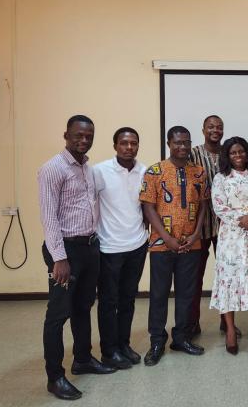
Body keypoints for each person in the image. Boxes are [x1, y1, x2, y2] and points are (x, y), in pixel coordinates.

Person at [39, 115, 114, 401]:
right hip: (64, 251)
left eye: (89, 136)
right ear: (66, 135)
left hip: (88, 247)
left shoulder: (88, 169)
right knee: (58, 313)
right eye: (78, 135)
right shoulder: (52, 169)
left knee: (84, 306)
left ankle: (82, 359)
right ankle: (55, 377)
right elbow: (48, 217)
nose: (84, 140)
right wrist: (59, 258)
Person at [140, 126, 209, 366]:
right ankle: (157, 340)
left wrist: (197, 233)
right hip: (161, 244)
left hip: (191, 243)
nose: (183, 147)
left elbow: (202, 206)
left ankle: (181, 337)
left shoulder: (199, 172)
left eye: (187, 143)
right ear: (169, 143)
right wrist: (166, 238)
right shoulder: (155, 171)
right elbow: (148, 207)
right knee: (159, 294)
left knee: (186, 293)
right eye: (178, 142)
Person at [209, 137, 248, 355]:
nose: (238, 156)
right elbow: (219, 206)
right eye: (233, 153)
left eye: (242, 152)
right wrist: (244, 221)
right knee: (229, 279)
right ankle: (229, 330)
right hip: (231, 238)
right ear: (227, 156)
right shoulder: (221, 178)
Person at [93, 127, 149, 370]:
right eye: (124, 143)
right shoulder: (99, 171)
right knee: (108, 301)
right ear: (115, 145)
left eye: (133, 143)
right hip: (109, 247)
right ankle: (109, 351)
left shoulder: (144, 171)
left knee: (128, 299)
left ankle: (123, 344)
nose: (129, 147)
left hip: (137, 244)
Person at [190, 115, 234, 338]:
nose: (215, 130)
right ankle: (192, 323)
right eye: (211, 127)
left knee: (227, 275)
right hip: (199, 226)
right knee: (194, 277)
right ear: (203, 129)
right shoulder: (193, 153)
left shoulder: (229, 154)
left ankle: (226, 322)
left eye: (219, 127)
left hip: (227, 228)